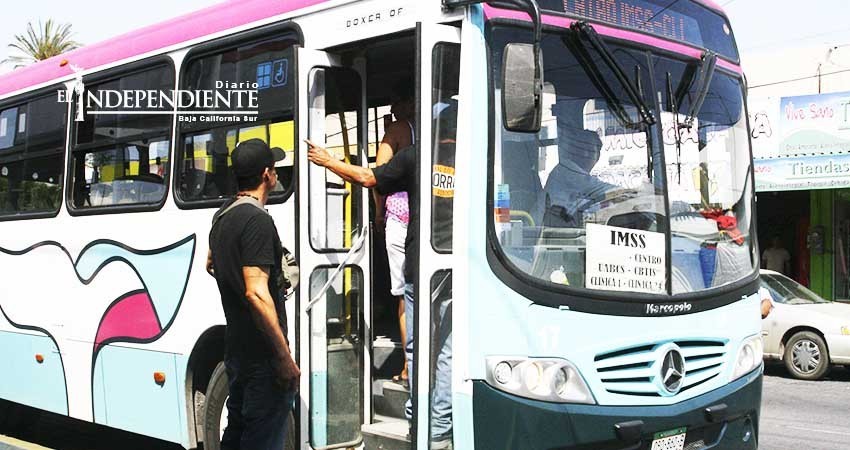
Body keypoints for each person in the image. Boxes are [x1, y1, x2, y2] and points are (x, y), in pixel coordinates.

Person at [306, 101, 457, 448]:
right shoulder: (474, 157)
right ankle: (440, 427)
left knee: (418, 346)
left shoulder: (418, 155)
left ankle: (419, 419)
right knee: (448, 350)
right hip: (457, 266)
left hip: (422, 266)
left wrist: (328, 161)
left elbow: (368, 178)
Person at [206, 138, 300, 450]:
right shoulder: (257, 220)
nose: (276, 173)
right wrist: (283, 357)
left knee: (236, 433)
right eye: (274, 168)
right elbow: (256, 294)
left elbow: (211, 264)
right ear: (266, 175)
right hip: (263, 356)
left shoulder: (223, 215)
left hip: (237, 348)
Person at [376, 81, 416, 386]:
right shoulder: (434, 128)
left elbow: (378, 176)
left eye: (395, 102)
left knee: (404, 294)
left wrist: (379, 213)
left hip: (399, 218)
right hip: (425, 218)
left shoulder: (397, 130)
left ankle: (407, 365)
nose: (392, 108)